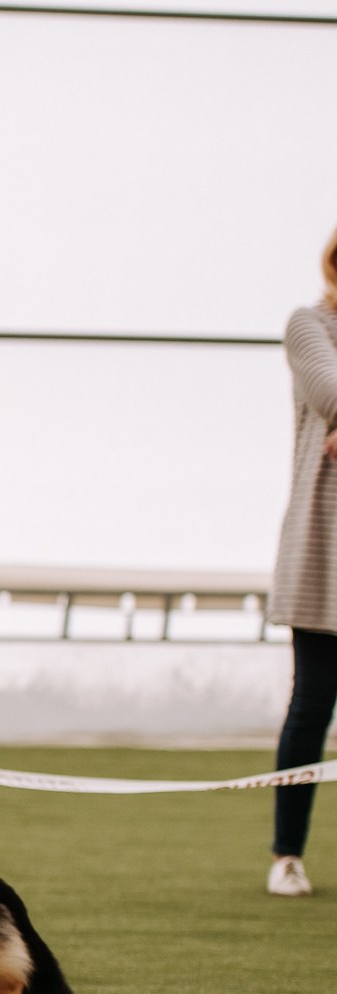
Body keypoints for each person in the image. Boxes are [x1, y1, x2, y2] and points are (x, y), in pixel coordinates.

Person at [264, 225, 337, 898]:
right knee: (311, 706)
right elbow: (330, 394)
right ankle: (287, 854)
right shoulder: (310, 324)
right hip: (325, 553)